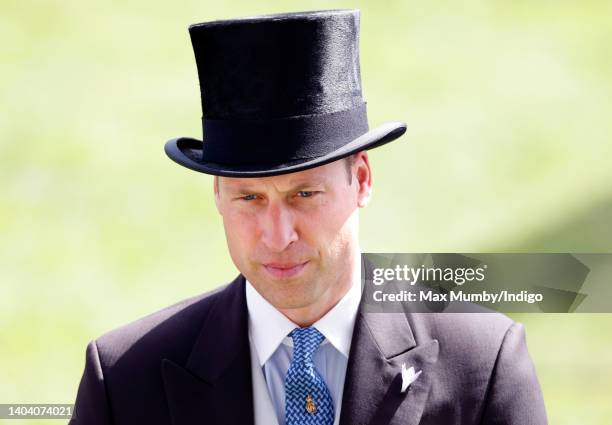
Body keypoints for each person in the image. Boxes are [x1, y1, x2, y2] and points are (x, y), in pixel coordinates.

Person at [70, 9, 547, 425]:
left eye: (304, 194)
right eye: (249, 199)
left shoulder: (484, 363)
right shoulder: (122, 379)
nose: (278, 237)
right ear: (217, 193)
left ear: (361, 180)